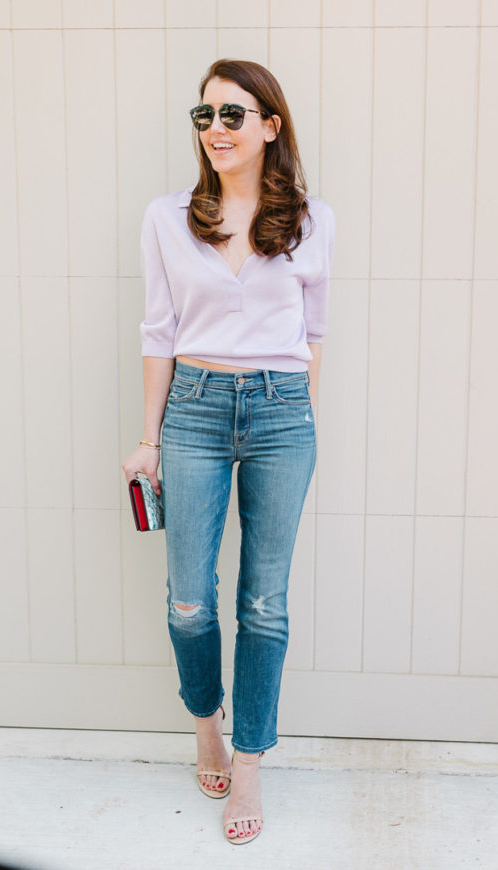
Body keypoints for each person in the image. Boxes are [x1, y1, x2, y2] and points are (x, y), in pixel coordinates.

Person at [122, 58, 335, 845]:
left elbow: (313, 337)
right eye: (204, 115)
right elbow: (158, 333)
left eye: (232, 115)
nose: (214, 129)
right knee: (188, 598)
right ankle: (205, 720)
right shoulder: (168, 216)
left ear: (270, 126)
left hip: (282, 412)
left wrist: (299, 419)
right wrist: (149, 440)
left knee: (264, 603)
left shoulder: (312, 219)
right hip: (195, 410)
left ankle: (248, 761)